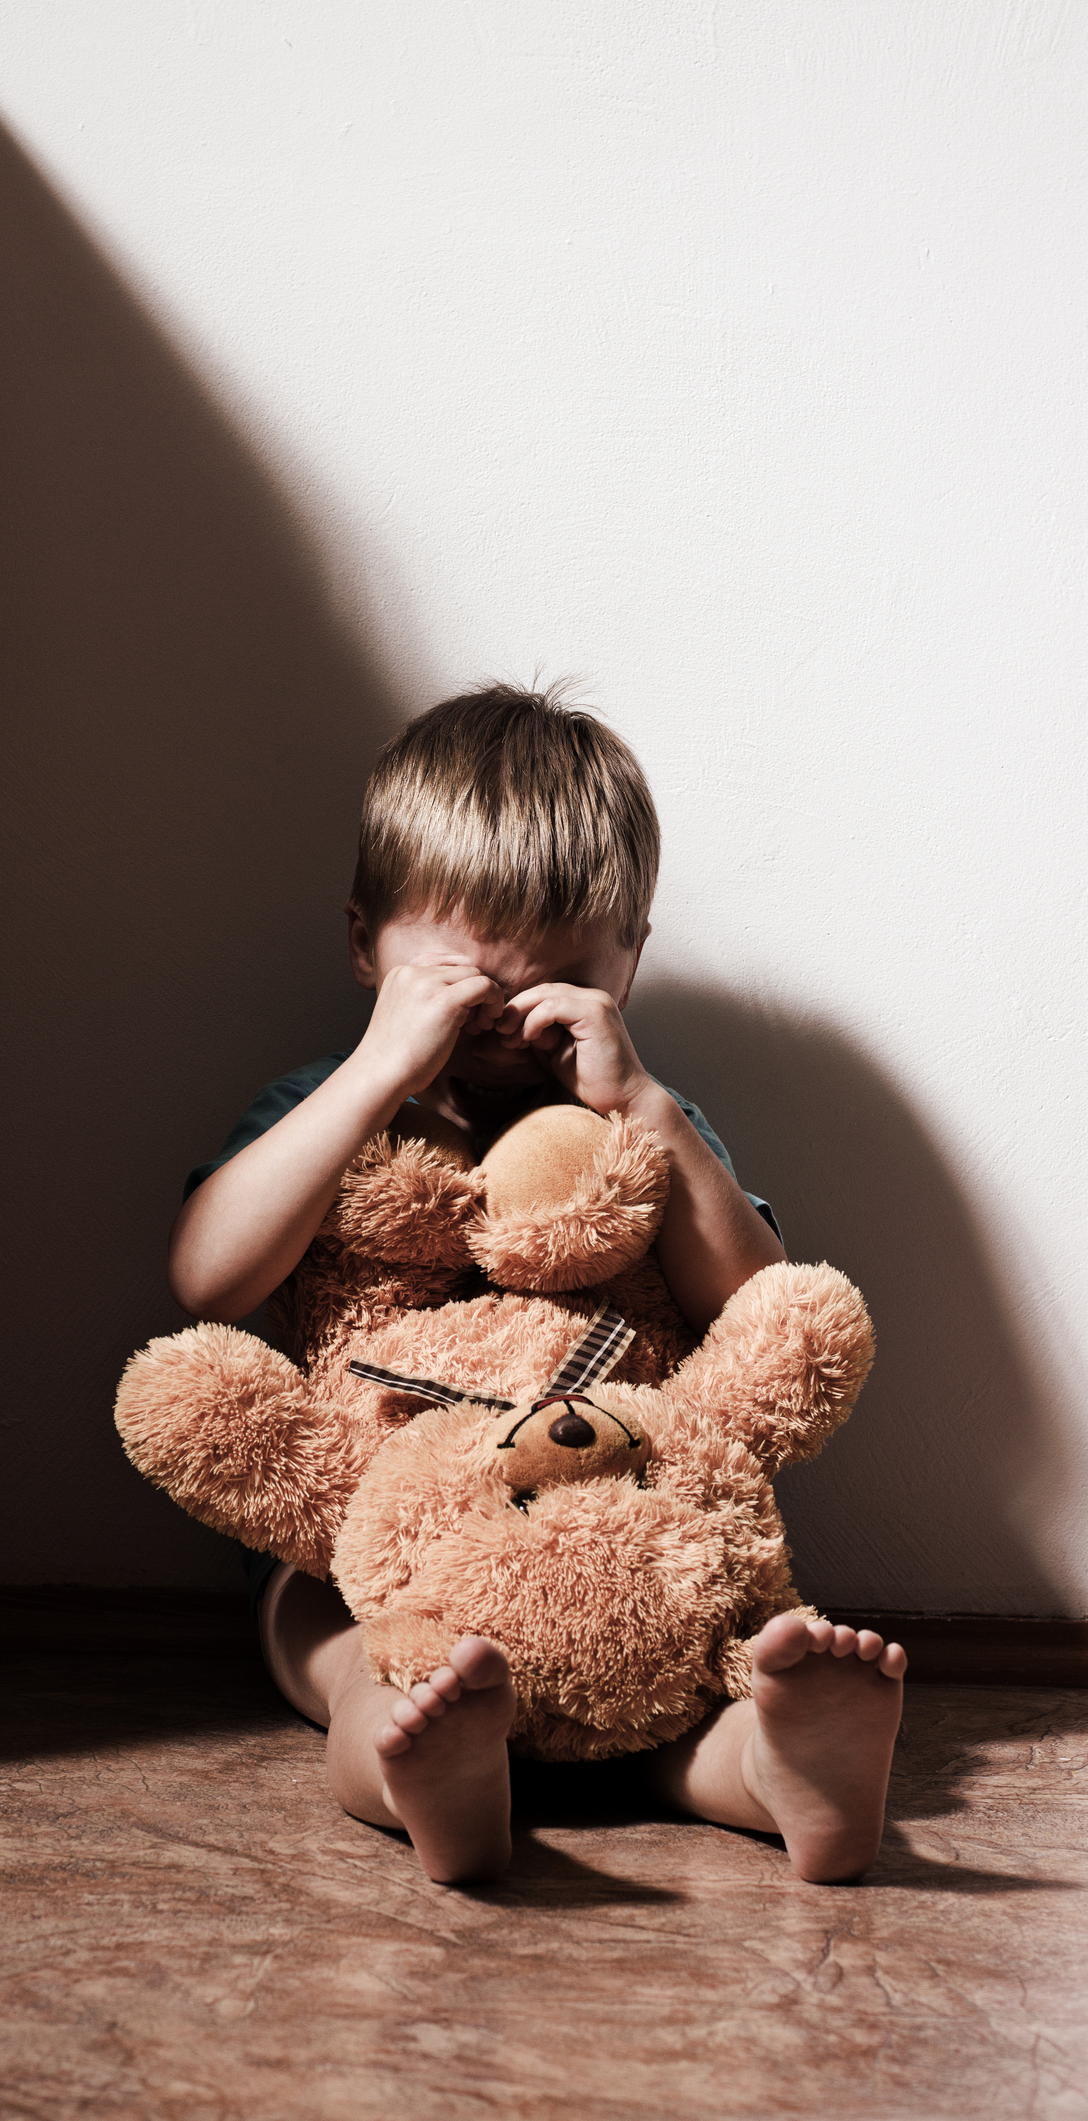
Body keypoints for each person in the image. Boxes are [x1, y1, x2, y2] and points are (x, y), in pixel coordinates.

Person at [169, 684, 905, 1887]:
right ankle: (429, 1767)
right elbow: (207, 1277)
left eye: (557, 978)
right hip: (375, 1539)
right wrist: (373, 1072)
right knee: (355, 1657)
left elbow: (759, 1313)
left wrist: (646, 1109)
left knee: (685, 1683)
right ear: (365, 944)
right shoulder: (326, 1112)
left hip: (615, 1515)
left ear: (631, 959)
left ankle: (780, 1769)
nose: (507, 1020)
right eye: (457, 978)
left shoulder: (639, 1120)